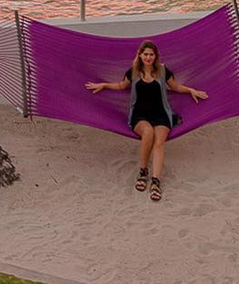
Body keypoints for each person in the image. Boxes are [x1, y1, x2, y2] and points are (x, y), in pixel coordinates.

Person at [85, 40, 207, 202]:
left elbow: (176, 87)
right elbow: (122, 86)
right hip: (139, 115)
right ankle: (143, 171)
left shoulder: (163, 71)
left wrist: (192, 90)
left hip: (161, 113)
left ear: (155, 56)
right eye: (145, 54)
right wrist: (104, 85)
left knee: (158, 143)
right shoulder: (134, 72)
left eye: (151, 54)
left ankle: (155, 182)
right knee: (148, 132)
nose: (148, 57)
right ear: (140, 55)